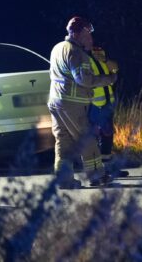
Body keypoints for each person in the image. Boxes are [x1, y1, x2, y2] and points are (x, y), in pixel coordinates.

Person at [48, 17, 117, 189]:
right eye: (88, 34)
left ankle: (63, 179)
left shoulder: (58, 48)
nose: (91, 39)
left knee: (63, 140)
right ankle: (98, 176)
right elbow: (84, 79)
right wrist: (108, 79)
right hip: (73, 104)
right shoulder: (77, 53)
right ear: (78, 33)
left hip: (56, 101)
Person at [86, 45, 129, 178]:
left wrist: (105, 60)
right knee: (96, 137)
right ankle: (98, 170)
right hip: (93, 104)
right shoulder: (83, 57)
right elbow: (87, 80)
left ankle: (108, 169)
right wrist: (108, 78)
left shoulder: (100, 52)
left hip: (106, 103)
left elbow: (115, 67)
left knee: (107, 136)